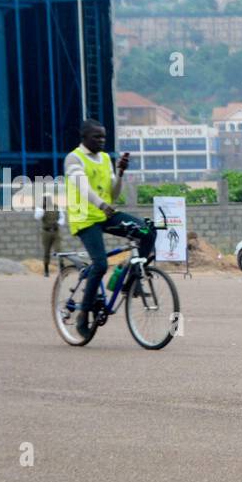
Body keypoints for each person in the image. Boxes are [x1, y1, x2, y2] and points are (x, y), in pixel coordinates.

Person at [64, 119, 151, 336]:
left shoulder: (104, 158)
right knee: (101, 264)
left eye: (104, 136)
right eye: (97, 137)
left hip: (106, 213)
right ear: (84, 137)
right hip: (85, 218)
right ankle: (84, 312)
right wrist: (102, 204)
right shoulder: (74, 158)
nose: (102, 140)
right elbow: (83, 188)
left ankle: (130, 279)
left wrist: (120, 173)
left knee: (147, 232)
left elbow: (113, 194)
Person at [34, 194, 64, 277]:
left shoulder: (56, 207)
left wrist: (58, 223)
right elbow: (37, 217)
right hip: (46, 232)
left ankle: (62, 267)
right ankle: (46, 270)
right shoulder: (41, 208)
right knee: (46, 251)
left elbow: (62, 218)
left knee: (59, 249)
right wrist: (42, 209)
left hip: (56, 231)